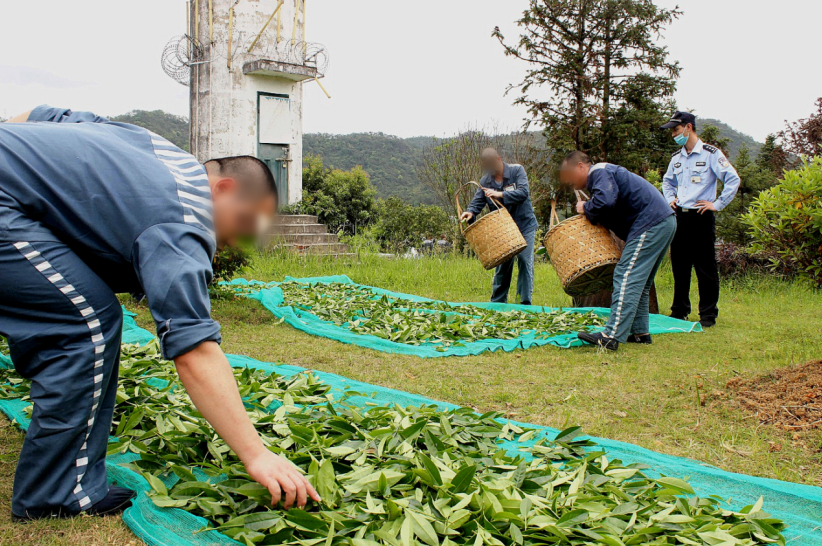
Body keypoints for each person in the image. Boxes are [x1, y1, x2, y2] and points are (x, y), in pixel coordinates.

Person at [0, 106, 320, 521]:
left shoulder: (154, 146)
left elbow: (42, 116)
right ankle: (57, 495)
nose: (233, 242)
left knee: (82, 305)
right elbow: (193, 348)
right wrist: (256, 454)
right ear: (221, 188)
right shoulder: (184, 221)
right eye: (242, 223)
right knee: (86, 326)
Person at [559, 152, 676, 351]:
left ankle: (612, 335)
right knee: (641, 282)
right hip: (663, 221)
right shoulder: (604, 176)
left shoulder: (599, 171)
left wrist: (585, 206)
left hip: (651, 222)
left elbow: (605, 202)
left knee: (625, 275)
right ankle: (640, 333)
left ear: (580, 166)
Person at [661, 111, 741, 328]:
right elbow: (667, 182)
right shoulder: (676, 158)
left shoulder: (711, 154)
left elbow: (732, 179)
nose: (674, 135)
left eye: (676, 130)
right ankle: (679, 311)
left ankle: (708, 315)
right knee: (680, 266)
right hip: (680, 217)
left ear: (688, 127)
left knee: (705, 267)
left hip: (701, 216)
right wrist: (670, 199)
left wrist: (717, 204)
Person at [459, 148, 538, 305]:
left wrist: (500, 194)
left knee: (524, 260)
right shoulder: (485, 181)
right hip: (502, 229)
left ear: (498, 159)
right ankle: (498, 302)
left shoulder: (517, 171)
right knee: (503, 263)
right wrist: (470, 212)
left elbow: (523, 193)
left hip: (524, 224)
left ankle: (524, 303)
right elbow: (478, 201)